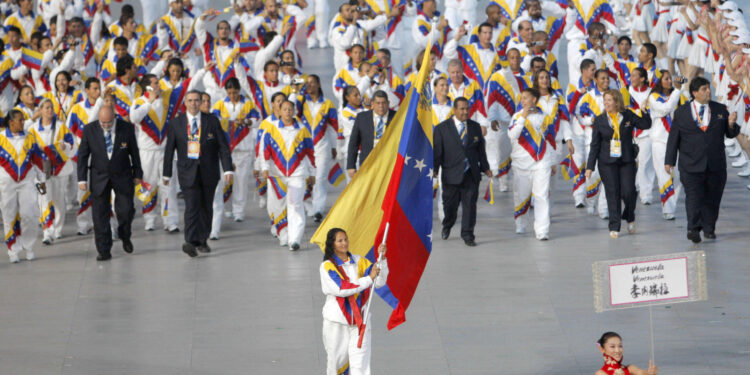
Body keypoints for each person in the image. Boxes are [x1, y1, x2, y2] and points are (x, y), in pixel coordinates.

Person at [665, 77, 740, 243]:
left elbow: (730, 133)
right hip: (690, 164)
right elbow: (674, 138)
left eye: (708, 88)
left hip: (715, 164)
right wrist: (669, 160)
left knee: (713, 198)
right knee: (693, 197)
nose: (708, 91)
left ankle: (709, 227)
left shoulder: (720, 109)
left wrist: (732, 124)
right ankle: (693, 228)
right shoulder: (682, 112)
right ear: (694, 93)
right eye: (704, 89)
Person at [163, 90, 233, 257]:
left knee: (206, 207)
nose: (193, 104)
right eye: (190, 100)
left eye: (197, 101)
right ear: (185, 103)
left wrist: (228, 168)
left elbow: (223, 147)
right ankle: (190, 241)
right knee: (192, 206)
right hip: (187, 172)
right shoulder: (176, 123)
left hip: (209, 171)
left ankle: (202, 240)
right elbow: (169, 150)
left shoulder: (212, 121)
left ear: (201, 102)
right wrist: (166, 174)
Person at [77, 105, 143, 261]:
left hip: (123, 175)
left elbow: (134, 152)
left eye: (109, 123)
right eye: (103, 123)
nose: (106, 126)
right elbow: (83, 156)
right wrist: (82, 179)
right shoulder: (90, 130)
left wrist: (138, 173)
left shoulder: (126, 128)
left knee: (126, 210)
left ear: (114, 117)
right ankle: (104, 249)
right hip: (99, 177)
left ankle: (125, 234)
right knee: (100, 216)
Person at [320, 228, 388, 375]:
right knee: (337, 366)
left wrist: (382, 260)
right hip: (336, 323)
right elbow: (342, 288)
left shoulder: (360, 261)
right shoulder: (326, 266)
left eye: (345, 239)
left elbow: (379, 281)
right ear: (332, 244)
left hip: (360, 324)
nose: (344, 243)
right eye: (340, 241)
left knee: (360, 367)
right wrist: (368, 278)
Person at [586, 89, 651, 239]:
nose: (606, 103)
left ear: (617, 101)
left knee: (629, 192)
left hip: (626, 160)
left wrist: (645, 111)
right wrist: (590, 166)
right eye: (605, 100)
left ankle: (630, 215)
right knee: (612, 192)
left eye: (609, 100)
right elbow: (594, 145)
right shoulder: (600, 120)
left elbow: (645, 125)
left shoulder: (627, 115)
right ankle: (614, 225)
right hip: (607, 162)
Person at [434, 97, 492, 247]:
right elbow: (438, 152)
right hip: (450, 175)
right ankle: (447, 224)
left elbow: (481, 150)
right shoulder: (442, 129)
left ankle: (468, 234)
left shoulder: (475, 127)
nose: (465, 112)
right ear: (454, 110)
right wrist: (434, 170)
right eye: (462, 109)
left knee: (470, 206)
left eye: (467, 108)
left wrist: (485, 167)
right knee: (450, 207)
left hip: (471, 174)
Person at [259, 100, 316, 250]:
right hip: (277, 174)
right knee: (278, 205)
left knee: (295, 204)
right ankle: (283, 234)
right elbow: (265, 151)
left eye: (290, 109)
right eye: (285, 109)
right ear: (279, 111)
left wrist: (312, 172)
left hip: (297, 173)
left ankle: (294, 239)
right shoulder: (271, 129)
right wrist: (264, 167)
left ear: (294, 111)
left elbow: (310, 152)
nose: (288, 112)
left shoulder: (302, 129)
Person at [508, 88, 555, 240]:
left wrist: (553, 161)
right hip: (521, 163)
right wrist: (523, 117)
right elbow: (512, 135)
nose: (523, 101)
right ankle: (520, 223)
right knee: (521, 196)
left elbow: (551, 140)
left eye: (526, 98)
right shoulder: (517, 116)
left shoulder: (544, 117)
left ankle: (542, 230)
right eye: (521, 98)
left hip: (541, 162)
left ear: (534, 99)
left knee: (541, 196)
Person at [0, 110, 44, 263]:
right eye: (20, 120)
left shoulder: (30, 137)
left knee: (29, 214)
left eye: (24, 119)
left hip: (27, 181)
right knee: (9, 215)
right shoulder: (1, 138)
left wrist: (42, 181)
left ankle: (29, 247)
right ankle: (13, 250)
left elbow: (38, 160)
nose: (23, 122)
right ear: (11, 122)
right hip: (7, 182)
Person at [29, 99, 76, 244]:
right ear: (41, 110)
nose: (49, 110)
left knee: (58, 199)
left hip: (58, 169)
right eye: (47, 108)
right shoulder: (33, 129)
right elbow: (29, 147)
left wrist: (64, 146)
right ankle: (47, 232)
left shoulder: (61, 126)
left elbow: (71, 144)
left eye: (51, 108)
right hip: (40, 170)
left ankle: (57, 229)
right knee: (43, 199)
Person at [648, 71, 688, 220]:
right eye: (666, 79)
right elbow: (665, 109)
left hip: (676, 140)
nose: (670, 81)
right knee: (664, 175)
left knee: (677, 175)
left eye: (671, 79)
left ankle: (672, 204)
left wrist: (681, 89)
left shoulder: (678, 95)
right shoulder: (653, 97)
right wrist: (678, 90)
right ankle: (668, 209)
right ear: (659, 81)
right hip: (660, 141)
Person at [346, 90, 395, 177]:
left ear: (388, 103)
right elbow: (353, 143)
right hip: (368, 164)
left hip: (390, 164)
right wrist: (351, 166)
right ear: (372, 104)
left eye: (384, 103)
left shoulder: (397, 117)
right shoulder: (362, 118)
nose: (381, 106)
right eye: (378, 103)